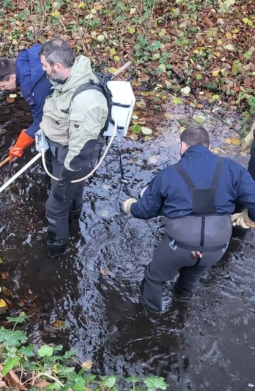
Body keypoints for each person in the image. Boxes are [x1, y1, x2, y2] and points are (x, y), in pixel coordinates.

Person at [122, 125, 255, 313]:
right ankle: (181, 308)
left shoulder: (168, 173)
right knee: (192, 278)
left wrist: (130, 206)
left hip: (178, 245)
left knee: (154, 278)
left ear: (183, 147)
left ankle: (149, 318)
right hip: (216, 246)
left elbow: (145, 211)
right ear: (209, 147)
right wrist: (248, 218)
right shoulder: (233, 168)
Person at [37, 38, 108, 257]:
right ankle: (74, 219)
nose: (42, 69)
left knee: (55, 206)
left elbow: (81, 149)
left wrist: (64, 179)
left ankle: (56, 251)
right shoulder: (67, 79)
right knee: (73, 192)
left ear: (57, 66)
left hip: (72, 159)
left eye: (45, 66)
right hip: (59, 150)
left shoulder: (85, 101)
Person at [0, 45, 52, 163]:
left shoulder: (31, 89)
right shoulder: (25, 57)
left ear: (12, 77)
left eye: (3, 86)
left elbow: (41, 123)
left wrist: (19, 146)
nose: (2, 90)